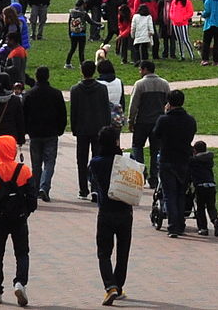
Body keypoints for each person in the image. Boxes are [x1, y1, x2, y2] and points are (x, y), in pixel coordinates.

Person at [0, 133, 37, 305]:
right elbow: (32, 196)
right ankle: (20, 282)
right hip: (19, 217)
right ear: (13, 149)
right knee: (22, 252)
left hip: (0, 219)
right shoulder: (24, 170)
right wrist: (26, 211)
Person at [89, 125, 134, 306]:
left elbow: (91, 178)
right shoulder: (125, 161)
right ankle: (119, 285)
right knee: (123, 252)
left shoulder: (96, 162)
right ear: (116, 141)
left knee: (104, 252)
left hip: (106, 212)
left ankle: (110, 286)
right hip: (125, 211)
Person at [151, 88, 198, 237]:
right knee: (180, 193)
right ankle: (180, 223)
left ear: (168, 103)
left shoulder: (164, 119)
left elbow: (156, 134)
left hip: (167, 159)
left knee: (169, 194)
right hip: (183, 160)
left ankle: (173, 226)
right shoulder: (190, 120)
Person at [69, 60, 111, 200]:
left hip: (82, 128)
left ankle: (82, 189)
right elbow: (106, 110)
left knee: (81, 159)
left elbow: (73, 111)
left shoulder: (75, 89)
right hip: (98, 127)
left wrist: (74, 128)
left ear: (82, 71)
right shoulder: (102, 89)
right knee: (97, 158)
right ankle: (95, 188)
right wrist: (106, 127)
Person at [23, 66, 66, 203]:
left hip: (35, 133)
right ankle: (44, 186)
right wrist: (60, 129)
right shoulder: (56, 94)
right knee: (49, 162)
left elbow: (23, 115)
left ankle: (36, 189)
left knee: (36, 163)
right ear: (48, 77)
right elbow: (62, 115)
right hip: (51, 132)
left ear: (36, 77)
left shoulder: (29, 94)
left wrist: (24, 131)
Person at [188, 140, 218, 237]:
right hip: (211, 185)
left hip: (201, 186)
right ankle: (215, 220)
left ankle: (203, 228)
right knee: (211, 206)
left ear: (195, 150)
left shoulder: (194, 161)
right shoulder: (209, 160)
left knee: (201, 208)